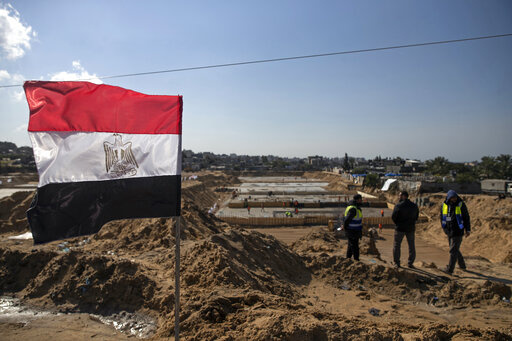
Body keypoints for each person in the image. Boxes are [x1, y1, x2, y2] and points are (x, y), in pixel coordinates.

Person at [441, 190, 470, 274]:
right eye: (452, 198)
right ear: (449, 198)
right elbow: (442, 217)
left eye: (455, 197)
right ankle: (462, 265)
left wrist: (467, 229)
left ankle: (450, 269)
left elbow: (466, 217)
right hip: (449, 230)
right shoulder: (445, 205)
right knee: (454, 248)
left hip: (458, 230)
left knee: (453, 250)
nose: (454, 199)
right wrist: (444, 228)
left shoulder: (461, 204)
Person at [391, 191, 419, 268]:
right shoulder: (414, 206)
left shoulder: (399, 206)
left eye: (400, 195)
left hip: (400, 228)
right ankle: (410, 263)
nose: (398, 197)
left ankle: (396, 262)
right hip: (410, 228)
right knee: (411, 245)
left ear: (404, 196)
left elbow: (394, 217)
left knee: (397, 245)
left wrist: (397, 223)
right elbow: (416, 217)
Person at [344, 194, 363, 260]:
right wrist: (345, 228)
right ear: (357, 200)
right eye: (361, 200)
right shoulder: (353, 209)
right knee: (354, 246)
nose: (362, 201)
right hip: (352, 231)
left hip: (355, 230)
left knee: (350, 245)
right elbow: (347, 220)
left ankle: (348, 258)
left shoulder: (355, 208)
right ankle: (356, 260)